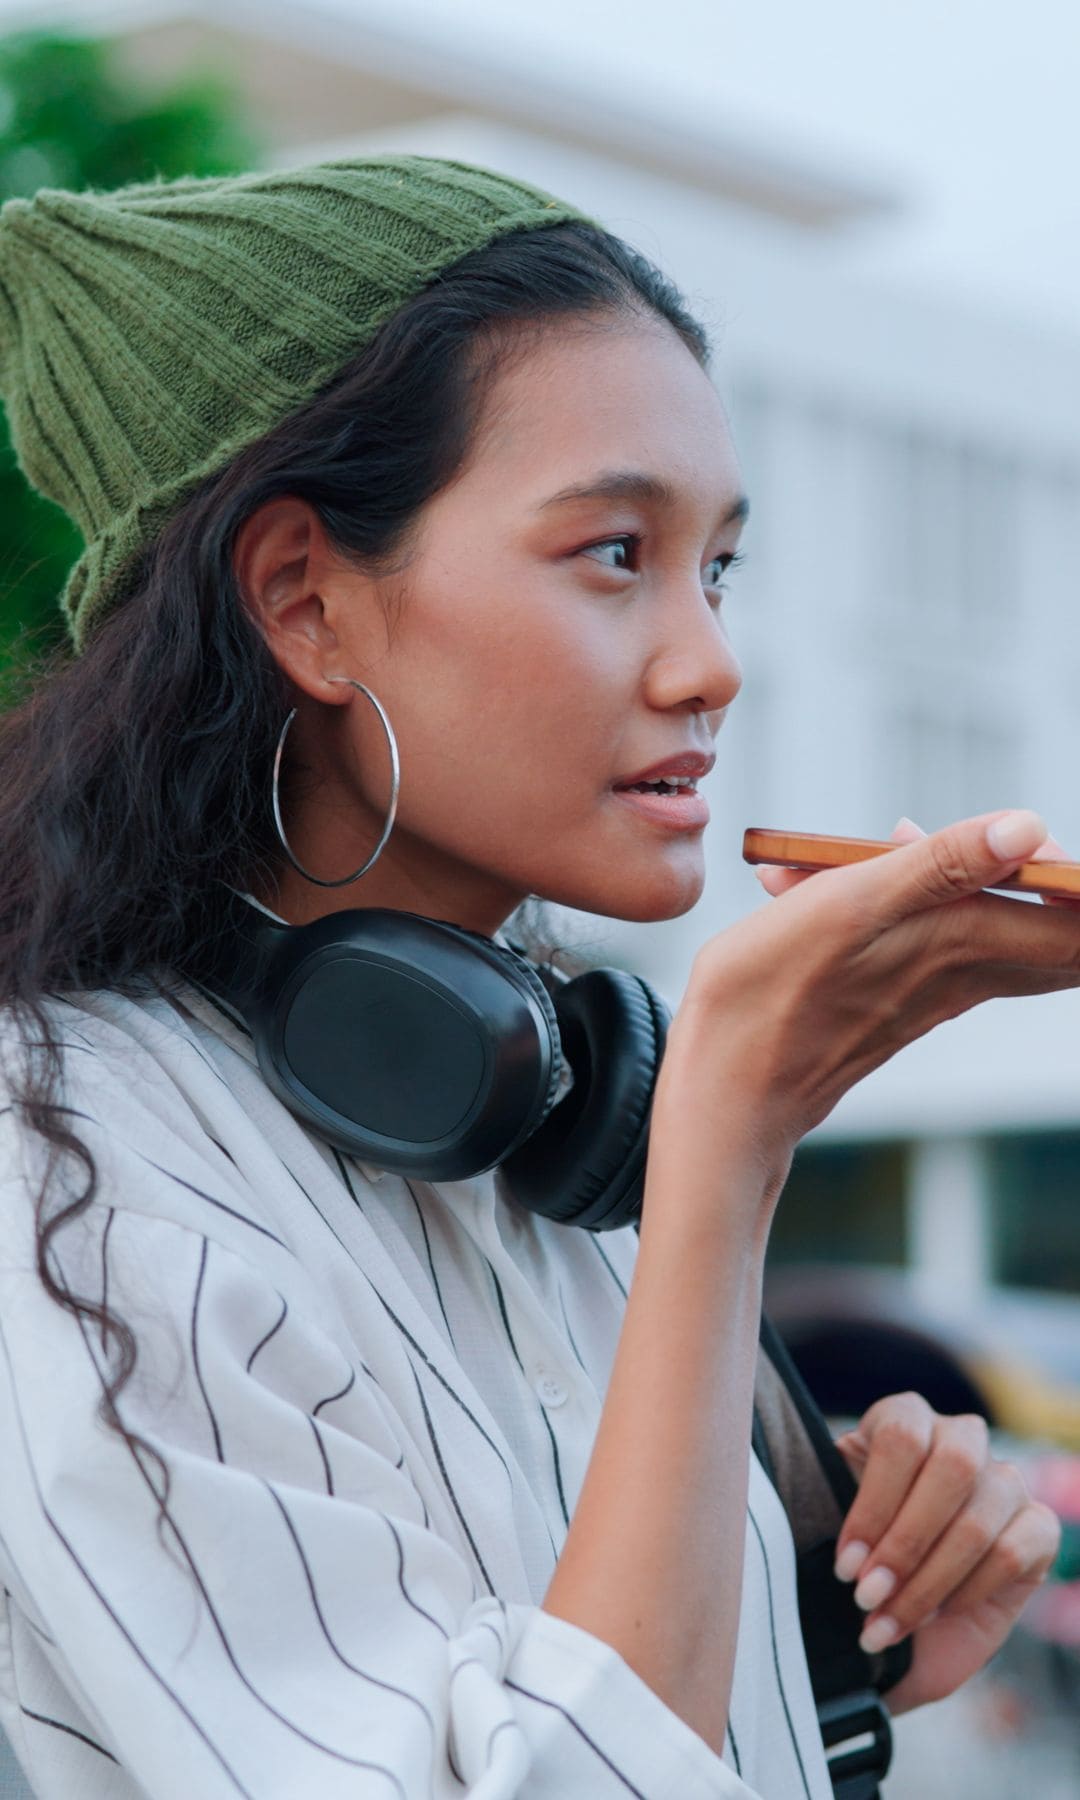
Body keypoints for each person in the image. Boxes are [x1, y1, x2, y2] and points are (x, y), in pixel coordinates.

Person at [0, 154, 1072, 1800]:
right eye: (614, 552)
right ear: (304, 601)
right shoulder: (64, 1170)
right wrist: (727, 1148)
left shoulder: (556, 1121)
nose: (710, 661)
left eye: (717, 568)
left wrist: (831, 1642)